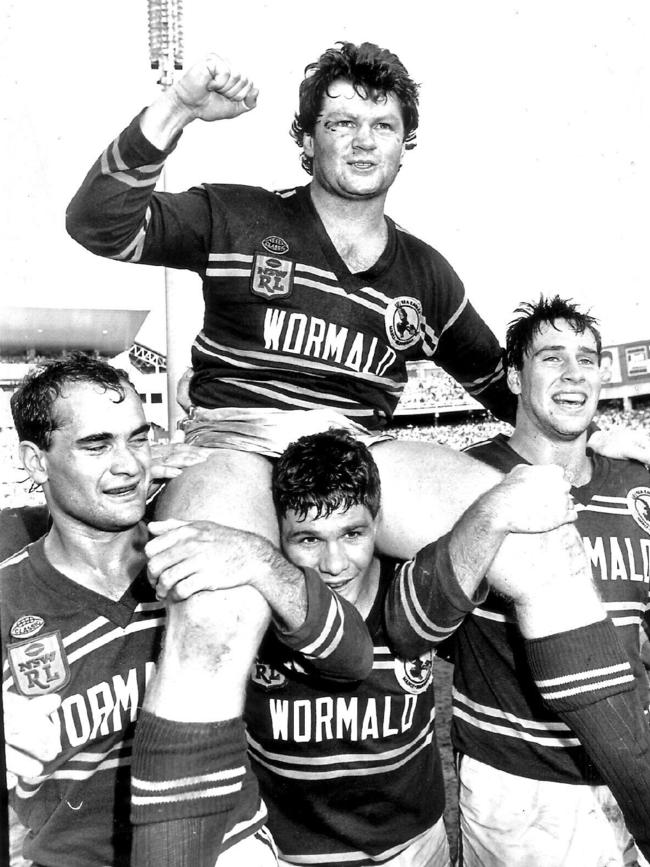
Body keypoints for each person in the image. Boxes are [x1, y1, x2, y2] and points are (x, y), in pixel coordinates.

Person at [64, 40, 650, 564]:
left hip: (357, 457)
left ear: (404, 144)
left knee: (535, 543)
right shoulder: (237, 215)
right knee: (218, 601)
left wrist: (593, 435)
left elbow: (504, 384)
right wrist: (179, 107)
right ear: (307, 137)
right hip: (232, 446)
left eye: (383, 125)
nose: (364, 141)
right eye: (342, 122)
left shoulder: (426, 275)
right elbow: (99, 224)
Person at [148, 428, 583, 866]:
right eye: (309, 539)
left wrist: (592, 444)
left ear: (379, 523)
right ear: (277, 533)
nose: (335, 564)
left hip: (415, 849)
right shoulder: (248, 606)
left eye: (352, 534)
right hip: (293, 854)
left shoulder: (414, 587)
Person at [1, 354, 371, 867]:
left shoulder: (204, 541)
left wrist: (262, 563)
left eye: (138, 438)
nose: (129, 465)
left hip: (228, 842)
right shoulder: (10, 588)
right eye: (96, 445)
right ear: (35, 460)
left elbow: (352, 659)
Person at [387, 296, 650, 866]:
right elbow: (413, 629)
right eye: (552, 358)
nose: (574, 372)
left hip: (633, 767)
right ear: (513, 376)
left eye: (587, 357)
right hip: (522, 790)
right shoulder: (463, 481)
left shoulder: (636, 484)